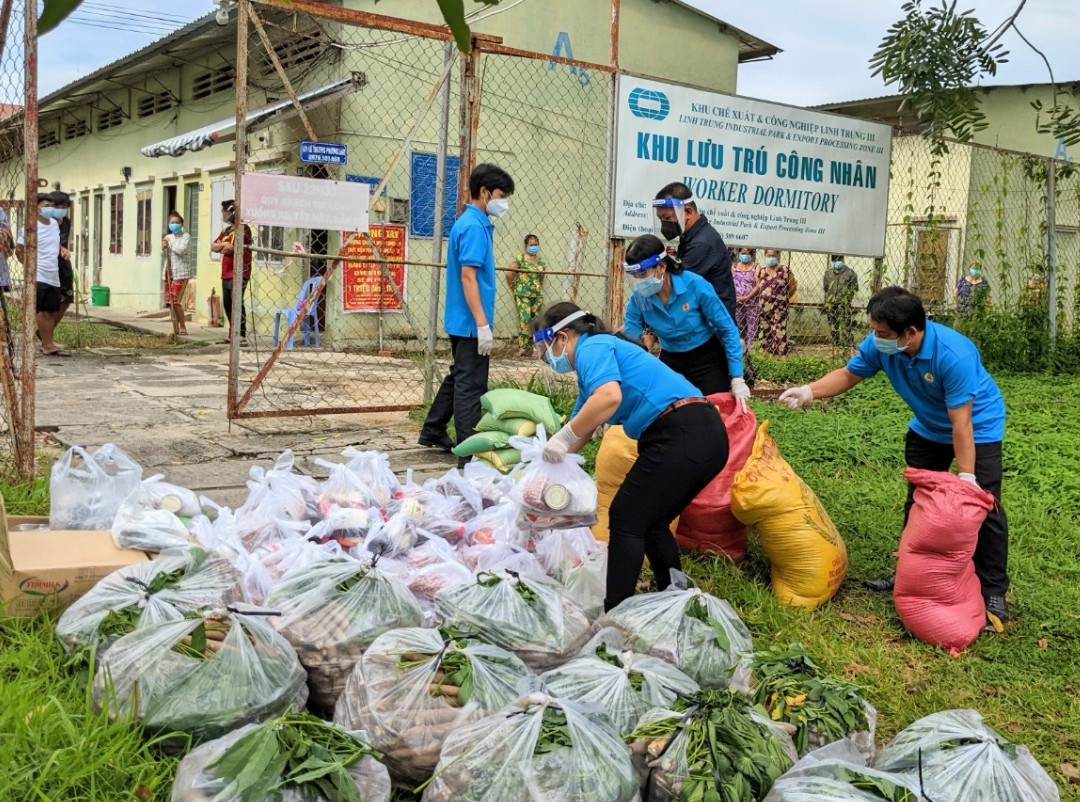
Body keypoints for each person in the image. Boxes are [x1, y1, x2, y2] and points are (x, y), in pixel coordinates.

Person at [778, 286, 1010, 629]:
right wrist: (810, 391)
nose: (875, 338)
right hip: (928, 427)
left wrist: (966, 478)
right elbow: (849, 374)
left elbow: (961, 423)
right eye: (874, 330)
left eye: (882, 333)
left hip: (977, 427)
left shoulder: (953, 354)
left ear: (911, 332)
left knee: (984, 506)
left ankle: (993, 590)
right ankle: (909, 571)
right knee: (918, 501)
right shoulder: (881, 343)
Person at [533, 301, 730, 611]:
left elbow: (609, 398)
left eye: (545, 345)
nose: (546, 355)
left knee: (625, 517)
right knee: (652, 521)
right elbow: (582, 425)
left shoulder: (592, 348)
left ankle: (616, 614)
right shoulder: (593, 368)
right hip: (702, 433)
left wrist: (564, 437)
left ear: (564, 336)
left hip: (682, 431)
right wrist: (542, 472)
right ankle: (672, 598)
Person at [419, 163, 515, 458]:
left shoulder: (472, 223)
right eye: (500, 196)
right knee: (471, 386)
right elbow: (468, 277)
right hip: (472, 322)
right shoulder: (474, 227)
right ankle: (468, 452)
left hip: (464, 320)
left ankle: (434, 429)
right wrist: (483, 324)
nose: (504, 203)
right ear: (484, 193)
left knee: (459, 377)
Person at [621, 234, 749, 405]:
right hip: (671, 360)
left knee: (711, 412)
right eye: (634, 276)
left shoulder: (695, 285)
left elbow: (727, 328)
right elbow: (630, 341)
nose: (639, 281)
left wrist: (737, 377)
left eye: (643, 274)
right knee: (671, 413)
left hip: (707, 359)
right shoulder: (639, 298)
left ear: (661, 267)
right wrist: (620, 381)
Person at [652, 182, 737, 321]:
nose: (664, 223)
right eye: (661, 219)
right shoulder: (692, 237)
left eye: (667, 218)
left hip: (714, 329)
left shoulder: (701, 244)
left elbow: (674, 287)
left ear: (688, 212)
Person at [15, 193, 69, 356]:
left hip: (53, 273)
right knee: (43, 310)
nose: (50, 209)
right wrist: (29, 266)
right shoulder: (30, 227)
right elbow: (19, 248)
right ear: (36, 207)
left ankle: (48, 342)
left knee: (53, 309)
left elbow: (54, 242)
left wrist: (62, 249)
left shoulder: (54, 224)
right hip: (38, 274)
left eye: (52, 206)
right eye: (46, 206)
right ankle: (48, 345)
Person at [210, 199, 251, 347]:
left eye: (224, 211)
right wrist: (223, 245)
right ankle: (232, 333)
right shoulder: (226, 231)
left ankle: (241, 335)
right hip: (226, 273)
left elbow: (230, 249)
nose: (222, 214)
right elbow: (214, 246)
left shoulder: (243, 229)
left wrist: (223, 246)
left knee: (237, 302)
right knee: (228, 304)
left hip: (239, 272)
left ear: (232, 211)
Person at [506, 233, 545, 356]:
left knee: (537, 321)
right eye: (531, 244)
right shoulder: (520, 259)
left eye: (536, 245)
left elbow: (541, 279)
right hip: (523, 295)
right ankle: (523, 348)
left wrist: (537, 289)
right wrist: (515, 290)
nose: (534, 247)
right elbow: (509, 273)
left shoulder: (540, 263)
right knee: (525, 319)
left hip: (537, 296)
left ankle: (535, 349)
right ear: (526, 245)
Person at [757, 248, 796, 356]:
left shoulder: (784, 270)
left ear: (778, 256)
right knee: (765, 332)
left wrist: (783, 298)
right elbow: (758, 286)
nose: (771, 258)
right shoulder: (762, 271)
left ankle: (780, 356)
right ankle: (766, 355)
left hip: (779, 308)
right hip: (764, 309)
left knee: (779, 332)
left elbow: (792, 287)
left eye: (773, 255)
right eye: (769, 255)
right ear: (765, 255)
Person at [162, 211, 193, 336]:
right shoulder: (168, 237)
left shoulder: (186, 237)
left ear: (182, 224)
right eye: (172, 223)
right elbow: (161, 252)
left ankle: (182, 326)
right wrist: (163, 246)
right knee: (169, 302)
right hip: (168, 273)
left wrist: (169, 244)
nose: (175, 225)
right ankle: (174, 326)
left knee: (176, 301)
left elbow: (180, 250)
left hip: (181, 273)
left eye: (177, 223)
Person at [823, 254, 858, 351]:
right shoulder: (828, 273)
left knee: (846, 325)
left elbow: (855, 288)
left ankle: (848, 345)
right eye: (834, 259)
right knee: (833, 325)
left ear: (843, 259)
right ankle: (836, 345)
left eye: (839, 259)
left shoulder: (850, 273)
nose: (837, 261)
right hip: (831, 304)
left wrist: (847, 299)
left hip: (844, 304)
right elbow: (826, 288)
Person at [50, 192, 75, 324]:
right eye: (57, 207)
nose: (60, 210)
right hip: (50, 264)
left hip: (63, 264)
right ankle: (45, 331)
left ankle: (46, 331)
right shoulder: (47, 222)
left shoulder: (66, 222)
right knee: (49, 303)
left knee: (66, 300)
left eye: (63, 207)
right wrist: (60, 248)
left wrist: (64, 250)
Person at [732, 247, 762, 350]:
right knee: (738, 327)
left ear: (751, 254)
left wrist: (747, 297)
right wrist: (735, 297)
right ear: (739, 253)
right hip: (737, 303)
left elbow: (758, 285)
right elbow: (730, 283)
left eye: (747, 253)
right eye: (743, 253)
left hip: (752, 303)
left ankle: (751, 351)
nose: (745, 255)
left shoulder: (756, 267)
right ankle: (740, 349)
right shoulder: (734, 267)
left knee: (752, 328)